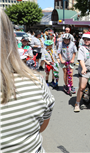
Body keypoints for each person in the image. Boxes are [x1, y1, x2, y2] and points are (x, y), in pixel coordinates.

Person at [0, 10, 55, 152]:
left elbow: (33, 57)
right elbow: (42, 126)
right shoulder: (36, 82)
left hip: (26, 66)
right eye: (23, 40)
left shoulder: (35, 78)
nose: (25, 42)